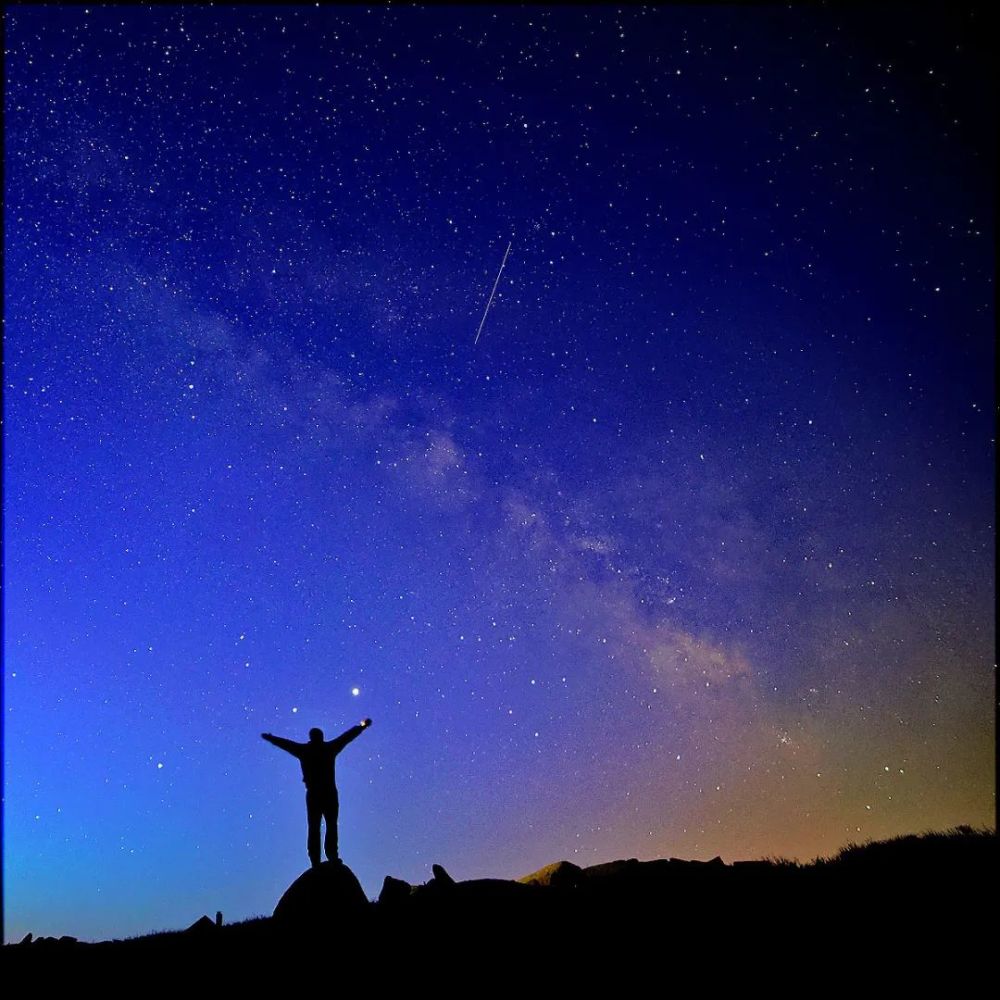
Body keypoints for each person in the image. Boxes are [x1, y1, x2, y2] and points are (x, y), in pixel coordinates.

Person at [262, 718, 372, 867]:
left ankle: (318, 859)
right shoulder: (327, 749)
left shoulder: (306, 750)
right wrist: (361, 727)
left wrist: (271, 738)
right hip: (326, 793)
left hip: (317, 794)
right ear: (320, 737)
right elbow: (346, 737)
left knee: (318, 827)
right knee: (327, 826)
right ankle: (328, 856)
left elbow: (286, 744)